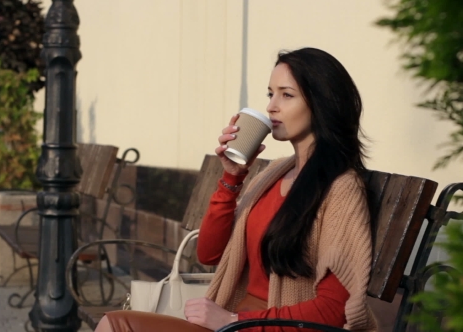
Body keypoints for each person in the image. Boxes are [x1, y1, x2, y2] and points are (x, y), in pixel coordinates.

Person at [95, 47, 377, 332]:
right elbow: (209, 254)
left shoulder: (341, 189)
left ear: (322, 104)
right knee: (114, 323)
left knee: (117, 326)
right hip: (231, 322)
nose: (271, 106)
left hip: (254, 326)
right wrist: (232, 178)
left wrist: (232, 321)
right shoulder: (274, 174)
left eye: (286, 95)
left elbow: (335, 309)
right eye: (270, 94)